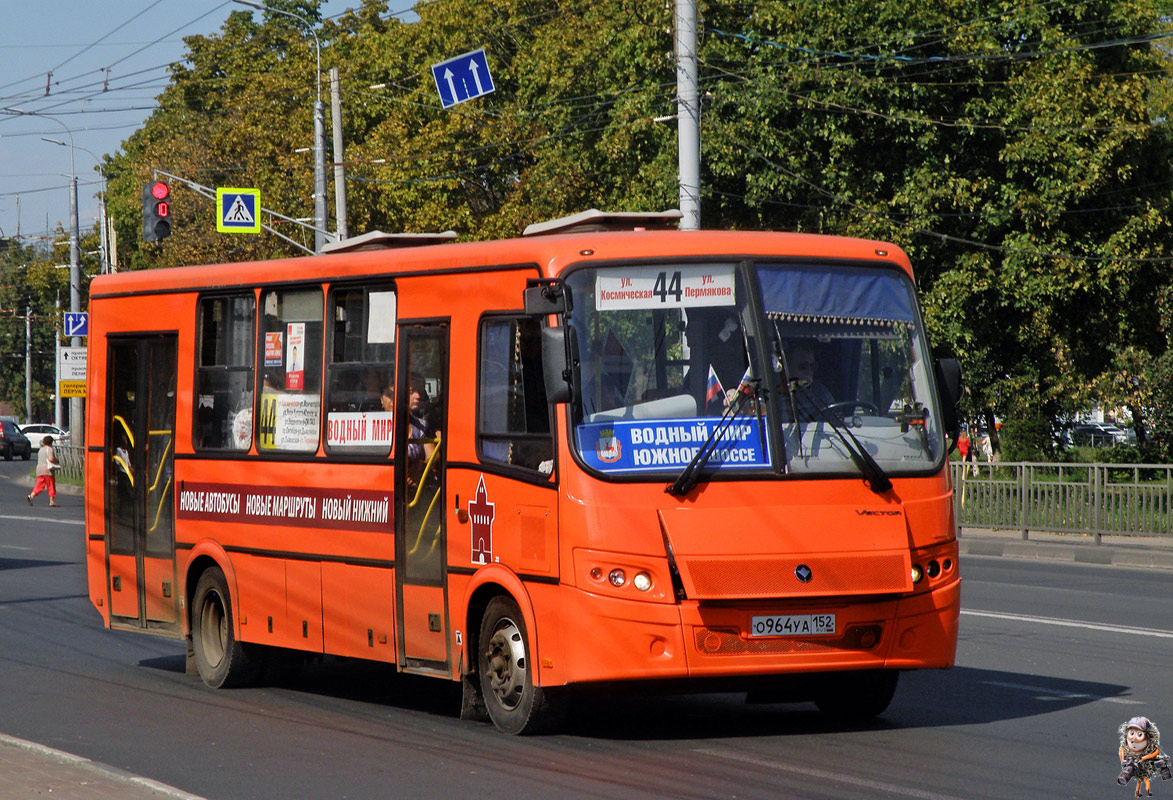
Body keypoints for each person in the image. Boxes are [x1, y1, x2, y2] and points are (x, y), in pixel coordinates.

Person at [783, 342, 835, 415]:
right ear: (789, 368)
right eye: (803, 366)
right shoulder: (776, 395)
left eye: (812, 366)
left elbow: (835, 417)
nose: (809, 371)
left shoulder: (821, 392)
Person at [27, 436, 59, 507]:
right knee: (50, 485)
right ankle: (51, 501)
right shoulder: (49, 449)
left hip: (39, 469)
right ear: (51, 442)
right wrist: (56, 461)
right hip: (47, 470)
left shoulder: (40, 450)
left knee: (39, 485)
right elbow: (51, 459)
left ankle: (31, 495)